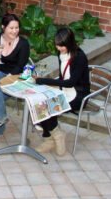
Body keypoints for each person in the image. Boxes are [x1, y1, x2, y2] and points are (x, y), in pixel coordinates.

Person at [34, 27, 90, 156]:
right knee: (39, 100)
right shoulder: (61, 54)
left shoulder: (80, 57)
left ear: (69, 43)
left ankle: (57, 137)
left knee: (46, 107)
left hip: (79, 95)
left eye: (62, 46)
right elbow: (63, 77)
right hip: (66, 89)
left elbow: (70, 82)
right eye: (57, 45)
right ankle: (51, 138)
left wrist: (44, 81)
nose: (59, 48)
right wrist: (47, 83)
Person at [0, 13, 30, 143]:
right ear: (3, 27)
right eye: (11, 28)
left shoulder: (23, 44)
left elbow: (19, 67)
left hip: (15, 78)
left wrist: (4, 82)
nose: (15, 31)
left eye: (17, 28)